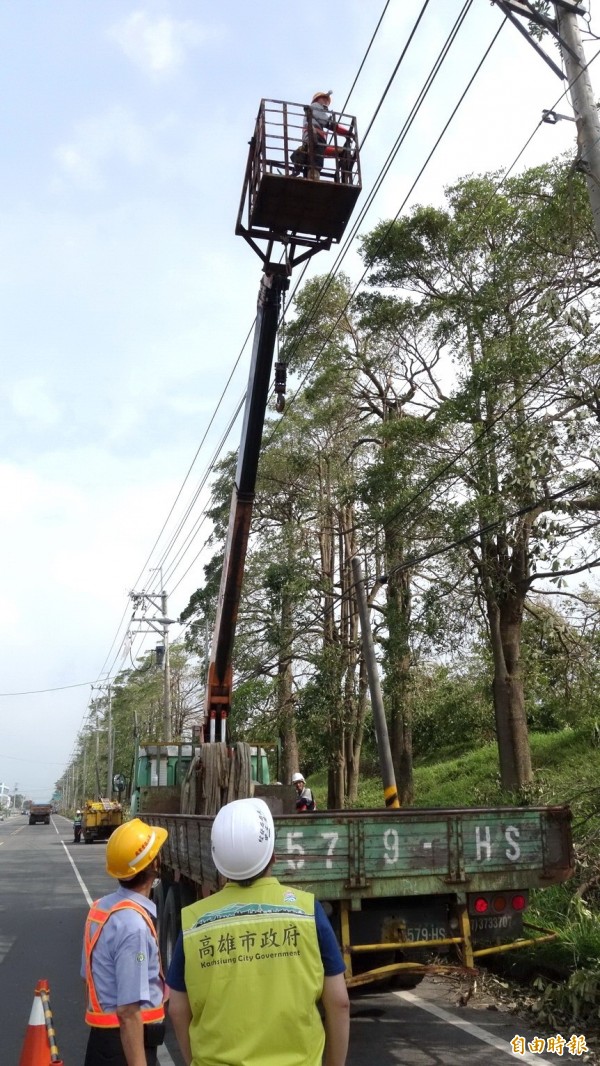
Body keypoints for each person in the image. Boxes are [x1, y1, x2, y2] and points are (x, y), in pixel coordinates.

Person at [167, 797, 349, 1066]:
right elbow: (339, 1003)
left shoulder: (193, 922)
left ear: (218, 862)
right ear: (273, 855)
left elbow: (178, 1010)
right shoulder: (308, 912)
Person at [81, 818, 168, 1066]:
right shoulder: (134, 926)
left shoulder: (101, 909)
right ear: (153, 864)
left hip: (101, 1044)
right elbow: (129, 1012)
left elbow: (88, 978)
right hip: (125, 1047)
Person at [292, 90, 352, 181]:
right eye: (324, 99)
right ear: (317, 99)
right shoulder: (315, 106)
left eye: (327, 101)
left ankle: (310, 177)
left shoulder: (312, 115)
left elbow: (321, 150)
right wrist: (347, 133)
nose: (326, 102)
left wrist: (338, 151)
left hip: (312, 140)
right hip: (314, 136)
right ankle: (313, 179)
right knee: (316, 163)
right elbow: (328, 123)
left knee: (312, 159)